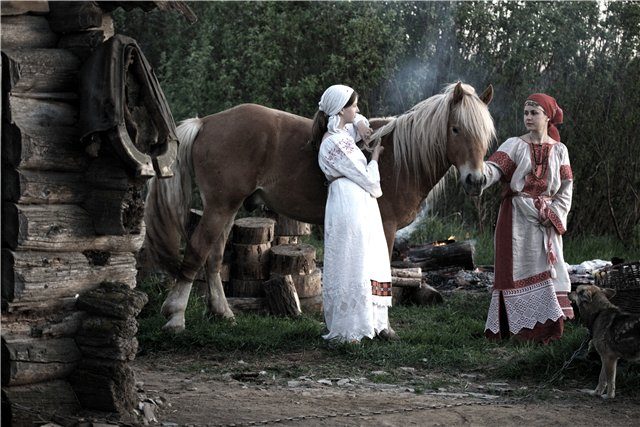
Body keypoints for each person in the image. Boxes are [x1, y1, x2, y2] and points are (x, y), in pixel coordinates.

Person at [481, 93, 574, 344]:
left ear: (547, 117)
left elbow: (566, 188)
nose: (529, 117)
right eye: (526, 113)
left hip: (546, 218)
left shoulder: (560, 150)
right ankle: (514, 329)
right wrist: (478, 174)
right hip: (516, 217)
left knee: (548, 269)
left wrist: (553, 214)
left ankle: (545, 329)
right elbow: (494, 169)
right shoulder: (514, 144)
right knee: (515, 268)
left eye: (534, 113)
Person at [310, 84, 397, 343]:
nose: (357, 109)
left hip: (355, 203)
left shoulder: (339, 134)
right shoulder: (336, 143)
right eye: (353, 106)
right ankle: (352, 328)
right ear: (340, 109)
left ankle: (372, 322)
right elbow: (368, 179)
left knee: (365, 258)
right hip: (350, 203)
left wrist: (358, 123)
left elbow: (359, 122)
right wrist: (376, 158)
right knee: (354, 260)